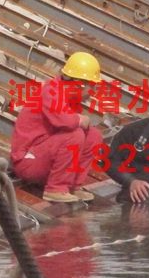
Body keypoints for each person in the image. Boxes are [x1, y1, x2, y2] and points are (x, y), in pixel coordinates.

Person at [10, 51, 103, 203]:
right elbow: (66, 122)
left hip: (44, 157)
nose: (92, 92)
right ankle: (56, 189)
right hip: (28, 162)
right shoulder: (51, 91)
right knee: (75, 135)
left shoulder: (68, 95)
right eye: (91, 86)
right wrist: (80, 119)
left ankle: (73, 185)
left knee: (93, 135)